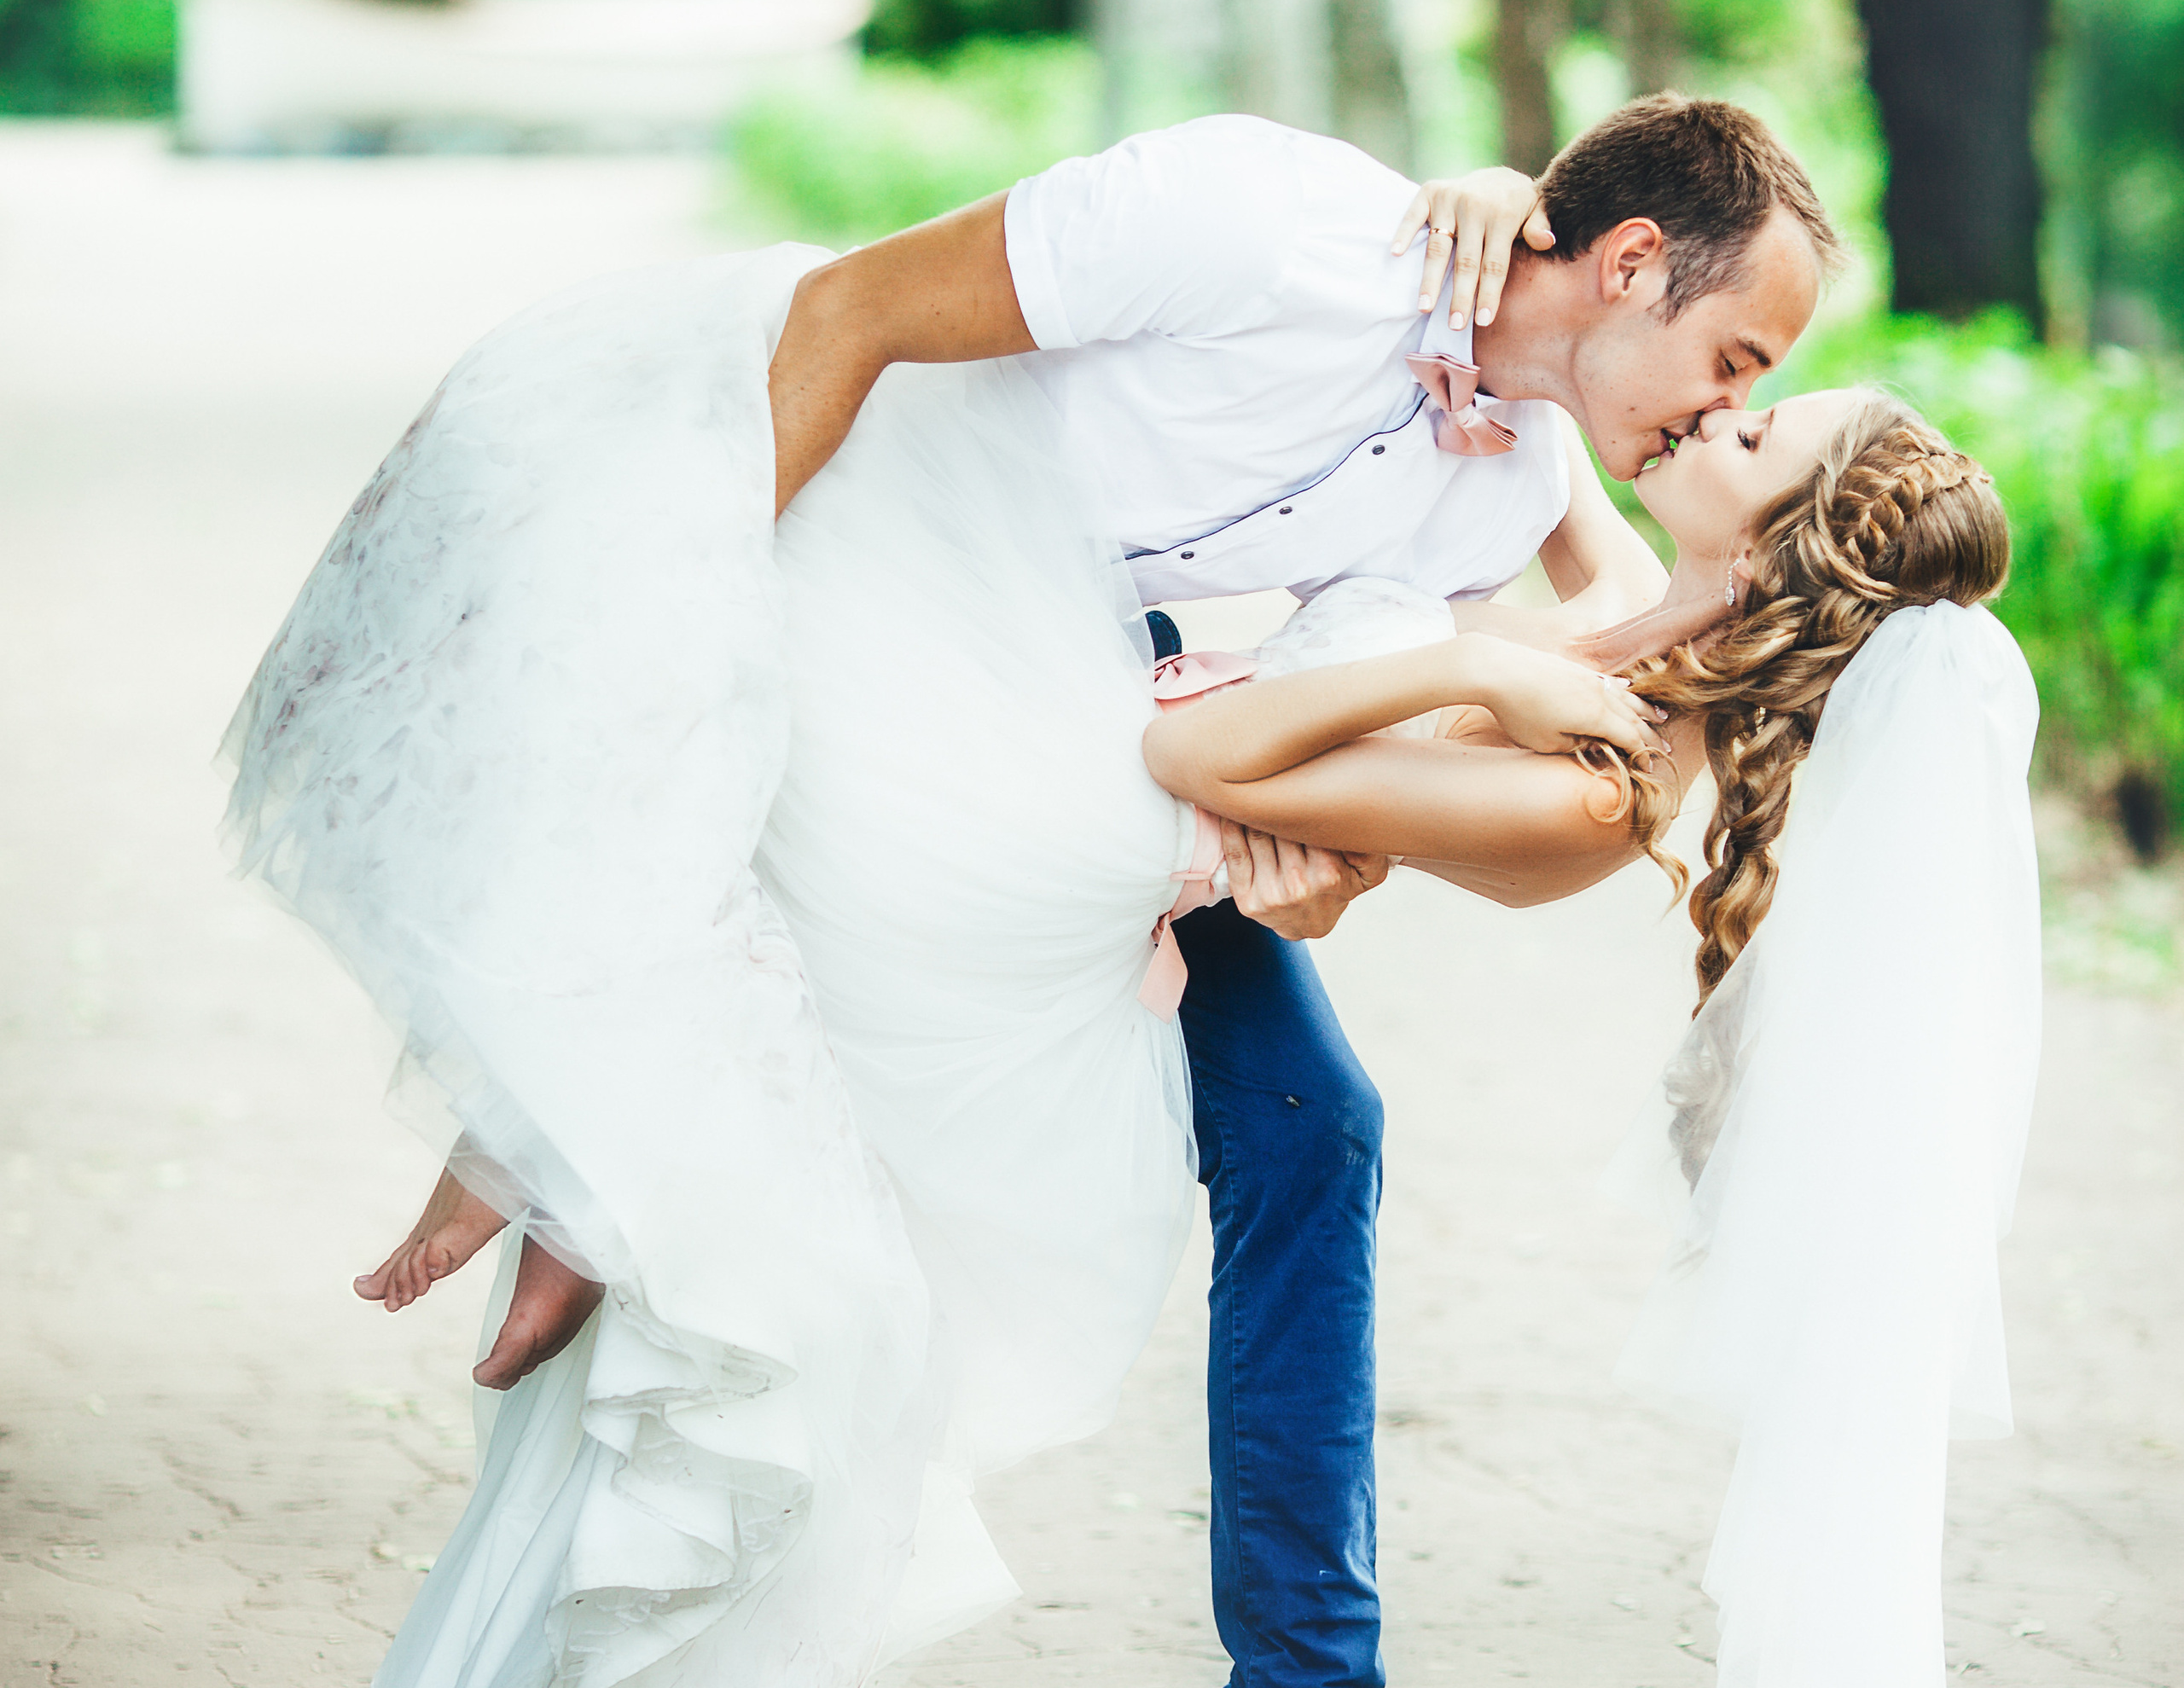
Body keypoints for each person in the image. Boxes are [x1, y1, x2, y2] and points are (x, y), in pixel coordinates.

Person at [226, 96, 1844, 1686]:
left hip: (1064, 714)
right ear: (1631, 262)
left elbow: (1425, 687)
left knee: (1304, 1114)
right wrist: (702, 664)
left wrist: (1331, 867)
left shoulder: (1502, 481)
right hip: (798, 535)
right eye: (1738, 361)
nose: (1730, 407)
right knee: (821, 896)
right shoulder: (1270, 224)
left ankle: (1304, 1671)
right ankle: (565, 1138)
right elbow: (849, 315)